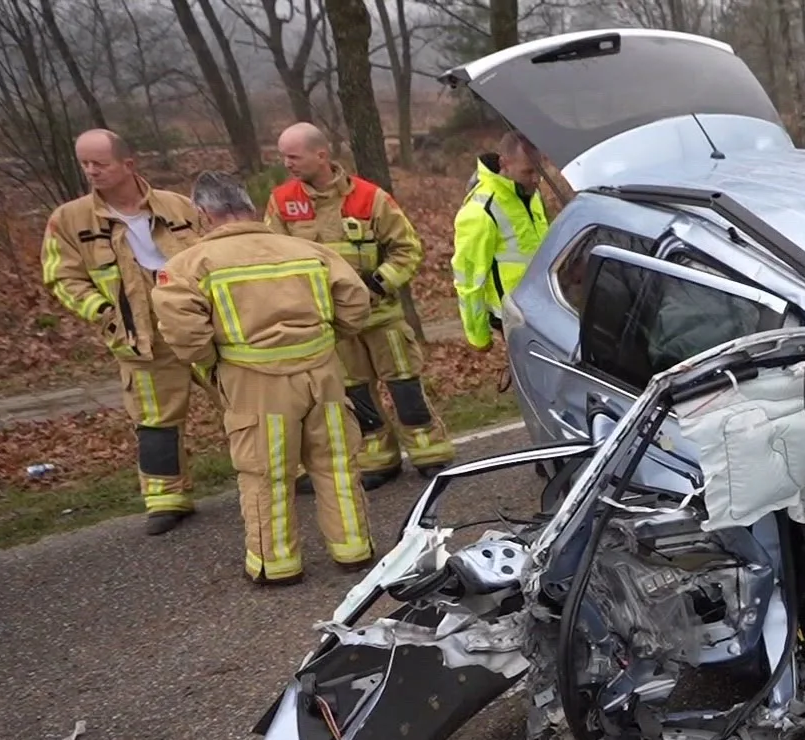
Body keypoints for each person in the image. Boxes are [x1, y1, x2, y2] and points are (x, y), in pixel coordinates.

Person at [151, 172, 375, 586]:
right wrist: (324, 340)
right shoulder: (307, 249)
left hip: (254, 384)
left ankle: (277, 565)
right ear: (249, 208)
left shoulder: (187, 265)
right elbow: (355, 304)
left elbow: (184, 332)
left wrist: (213, 362)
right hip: (322, 376)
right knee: (336, 464)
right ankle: (354, 550)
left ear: (203, 215)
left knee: (266, 474)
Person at [266, 122, 453, 486]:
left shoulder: (370, 198)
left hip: (380, 315)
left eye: (293, 155)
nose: (286, 163)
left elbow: (408, 249)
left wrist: (376, 284)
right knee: (355, 393)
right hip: (330, 323)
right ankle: (379, 458)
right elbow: (272, 258)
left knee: (404, 384)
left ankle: (429, 452)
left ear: (321, 154)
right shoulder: (282, 203)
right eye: (283, 156)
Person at [41, 129, 207, 534]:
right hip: (140, 339)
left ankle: (277, 476)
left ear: (128, 164)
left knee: (245, 404)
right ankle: (167, 499)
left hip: (200, 328)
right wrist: (102, 312)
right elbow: (61, 277)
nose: (91, 171)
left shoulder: (178, 206)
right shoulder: (69, 220)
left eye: (100, 163)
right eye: (85, 164)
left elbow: (213, 252)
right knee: (155, 420)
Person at [452, 130, 549, 351]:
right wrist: (478, 336)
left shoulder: (530, 195)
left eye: (540, 171)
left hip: (545, 308)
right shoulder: (480, 211)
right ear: (504, 163)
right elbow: (468, 281)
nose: (536, 179)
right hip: (514, 318)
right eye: (528, 172)